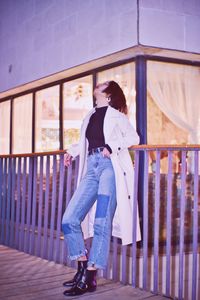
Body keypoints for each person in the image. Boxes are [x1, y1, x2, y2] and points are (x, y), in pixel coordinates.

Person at [62, 80, 141, 296]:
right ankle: (81, 267)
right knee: (69, 219)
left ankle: (90, 275)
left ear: (108, 95)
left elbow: (134, 137)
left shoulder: (117, 116)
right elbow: (85, 142)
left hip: (109, 169)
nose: (99, 83)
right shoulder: (90, 114)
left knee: (101, 223)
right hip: (91, 168)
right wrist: (71, 151)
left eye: (104, 84)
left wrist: (111, 146)